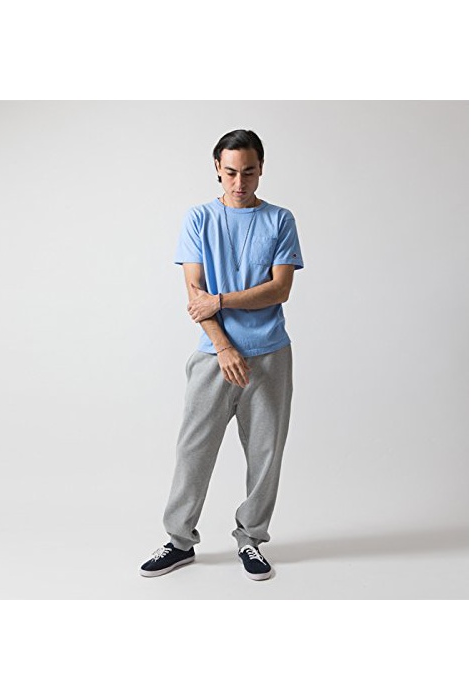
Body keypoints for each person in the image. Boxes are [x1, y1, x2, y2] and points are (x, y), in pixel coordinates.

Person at [139, 129, 304, 581]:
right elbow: (195, 295)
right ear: (217, 168)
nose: (239, 182)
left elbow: (280, 289)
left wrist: (222, 301)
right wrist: (224, 346)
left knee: (265, 454)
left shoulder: (280, 219)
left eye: (248, 172)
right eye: (230, 172)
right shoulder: (198, 219)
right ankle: (179, 542)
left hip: (270, 355)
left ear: (261, 168)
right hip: (214, 356)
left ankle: (251, 539)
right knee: (193, 449)